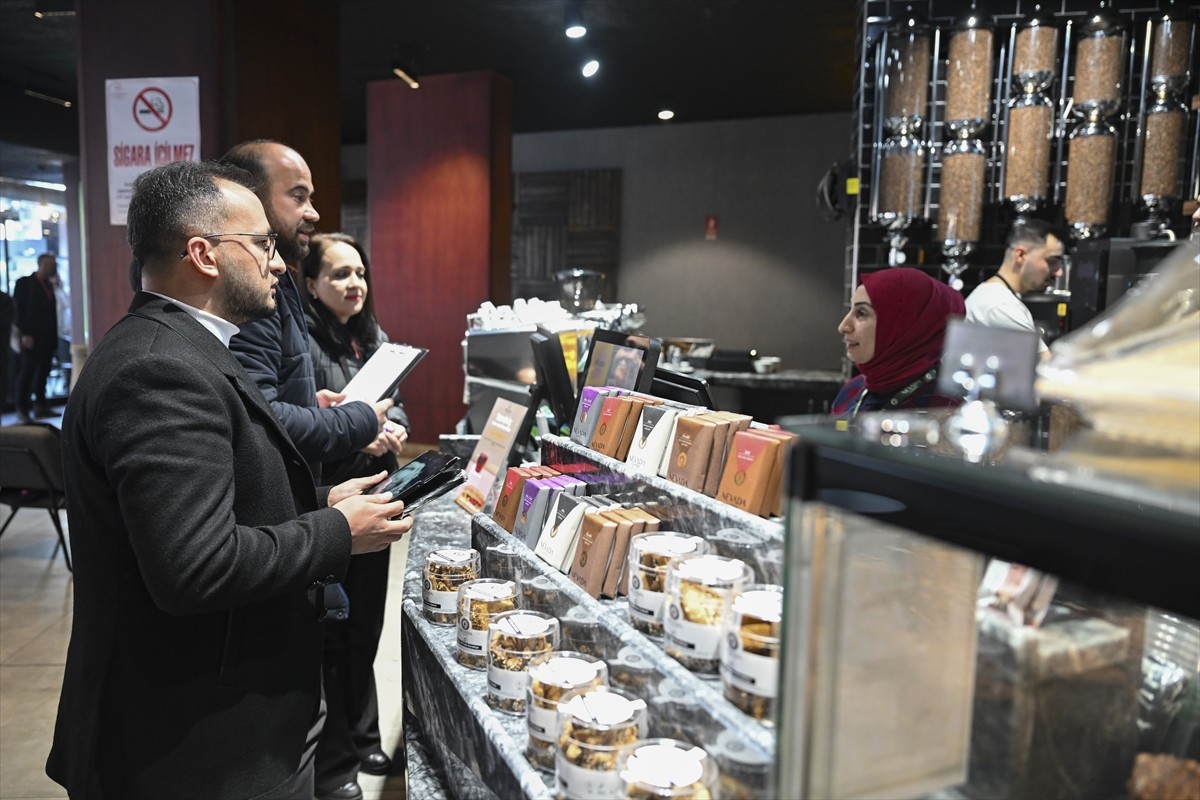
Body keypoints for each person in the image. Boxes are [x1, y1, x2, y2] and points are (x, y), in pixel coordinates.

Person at [45, 159, 414, 800]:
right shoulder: (160, 371)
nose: (277, 262)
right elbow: (195, 566)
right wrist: (333, 530)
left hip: (221, 725)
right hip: (194, 746)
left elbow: (218, 495)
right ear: (203, 254)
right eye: (263, 243)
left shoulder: (193, 347)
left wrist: (322, 498)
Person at [300, 233, 410, 796]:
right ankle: (342, 746)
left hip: (376, 494)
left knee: (366, 624)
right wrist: (359, 430)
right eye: (340, 274)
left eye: (360, 273)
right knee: (333, 633)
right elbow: (301, 426)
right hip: (329, 498)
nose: (354, 284)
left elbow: (402, 411)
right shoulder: (304, 345)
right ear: (313, 284)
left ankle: (367, 735)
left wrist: (393, 430)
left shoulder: (375, 339)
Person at [220, 140, 397, 482]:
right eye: (298, 197)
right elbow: (258, 415)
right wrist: (360, 420)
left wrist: (312, 405)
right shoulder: (248, 291)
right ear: (249, 200)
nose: (313, 212)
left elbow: (266, 393)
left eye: (360, 274)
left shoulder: (280, 280)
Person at [832, 267, 965, 419]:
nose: (843, 327)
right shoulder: (853, 389)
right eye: (851, 310)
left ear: (906, 327)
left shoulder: (947, 413)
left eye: (861, 313)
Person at [965, 219, 1065, 359]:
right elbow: (1049, 370)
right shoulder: (1001, 306)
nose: (1059, 272)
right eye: (1052, 261)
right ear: (1021, 256)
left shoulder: (993, 294)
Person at [13, 253, 59, 421]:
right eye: (51, 264)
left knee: (43, 372)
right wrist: (25, 333)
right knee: (27, 372)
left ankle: (41, 405)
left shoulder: (49, 285)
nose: (54, 267)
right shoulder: (25, 283)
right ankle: (22, 408)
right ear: (43, 264)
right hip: (31, 337)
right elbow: (18, 311)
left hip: (47, 338)